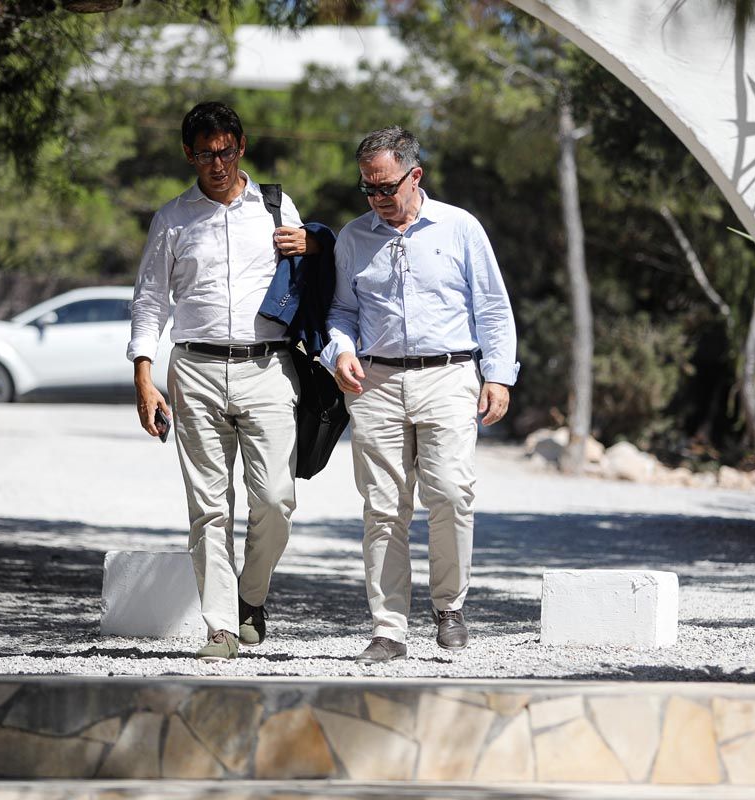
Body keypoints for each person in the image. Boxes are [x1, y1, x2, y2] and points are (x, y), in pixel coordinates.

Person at [321, 126, 519, 664]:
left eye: (386, 187)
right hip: (376, 382)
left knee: (451, 493)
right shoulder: (354, 237)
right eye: (368, 189)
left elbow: (494, 308)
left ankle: (449, 606)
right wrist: (338, 349)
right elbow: (341, 311)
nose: (378, 199)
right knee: (383, 509)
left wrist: (498, 375)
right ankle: (388, 628)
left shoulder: (460, 228)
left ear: (415, 175)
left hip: (449, 374)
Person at [128, 101, 317, 661]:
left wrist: (308, 248)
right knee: (209, 506)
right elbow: (150, 299)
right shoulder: (172, 219)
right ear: (189, 154)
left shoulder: (277, 207)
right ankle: (221, 626)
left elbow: (314, 280)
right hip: (196, 368)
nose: (217, 162)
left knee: (276, 500)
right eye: (205, 153)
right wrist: (144, 374)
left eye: (226, 150)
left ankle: (250, 597)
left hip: (269, 367)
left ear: (242, 146)